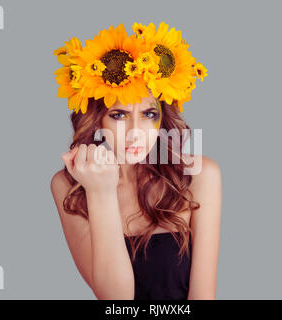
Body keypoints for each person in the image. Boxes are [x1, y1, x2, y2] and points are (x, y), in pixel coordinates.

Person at [50, 22, 221, 300]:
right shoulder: (70, 185)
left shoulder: (199, 175)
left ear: (163, 118)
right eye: (118, 115)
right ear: (97, 120)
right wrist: (100, 192)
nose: (135, 133)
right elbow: (116, 301)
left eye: (149, 115)